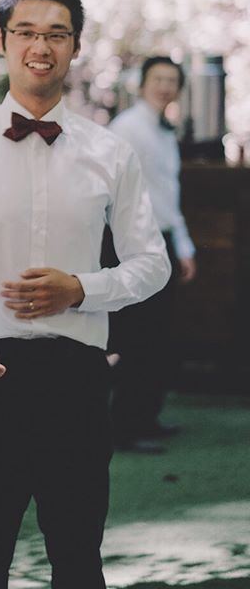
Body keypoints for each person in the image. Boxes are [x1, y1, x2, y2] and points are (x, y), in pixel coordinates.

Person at [0, 0, 171, 589]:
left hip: (74, 378)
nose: (40, 47)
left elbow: (150, 263)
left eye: (57, 34)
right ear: (2, 40)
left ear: (74, 47)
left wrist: (80, 289)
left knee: (78, 556)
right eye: (26, 32)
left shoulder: (112, 153)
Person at [107, 56, 197, 453]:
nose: (165, 86)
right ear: (142, 84)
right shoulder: (127, 128)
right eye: (158, 78)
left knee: (159, 336)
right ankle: (126, 426)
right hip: (135, 242)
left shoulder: (163, 131)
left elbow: (167, 194)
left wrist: (185, 246)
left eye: (172, 80)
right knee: (137, 336)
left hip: (163, 238)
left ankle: (147, 416)